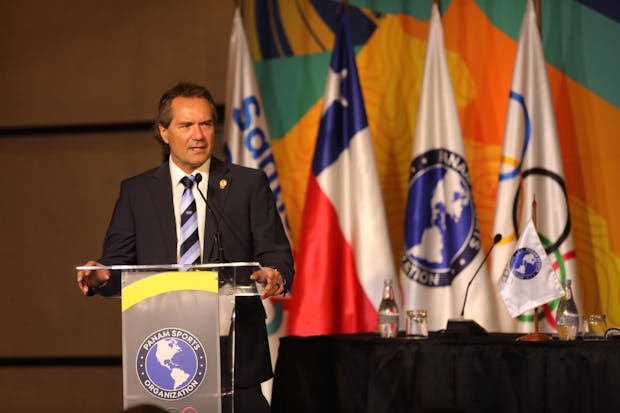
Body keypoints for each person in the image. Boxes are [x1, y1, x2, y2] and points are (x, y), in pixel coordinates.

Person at [76, 81, 294, 413]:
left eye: (206, 124)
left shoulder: (247, 184)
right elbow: (118, 265)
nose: (199, 135)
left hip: (235, 358)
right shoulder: (137, 192)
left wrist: (273, 272)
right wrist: (101, 275)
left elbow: (277, 252)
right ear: (164, 132)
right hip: (166, 354)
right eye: (186, 125)